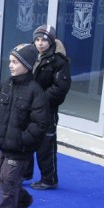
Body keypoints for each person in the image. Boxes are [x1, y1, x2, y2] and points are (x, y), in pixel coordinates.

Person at [0, 44, 49, 208]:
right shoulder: (7, 85)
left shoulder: (36, 91)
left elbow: (39, 124)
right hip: (5, 143)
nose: (10, 65)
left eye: (15, 62)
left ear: (27, 65)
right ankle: (23, 200)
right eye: (10, 61)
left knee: (8, 180)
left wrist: (22, 140)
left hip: (20, 148)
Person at [23, 25, 71, 191]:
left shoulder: (59, 61)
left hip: (47, 109)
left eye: (44, 40)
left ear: (51, 41)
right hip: (28, 107)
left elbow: (60, 88)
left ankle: (49, 179)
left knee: (46, 144)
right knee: (26, 140)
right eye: (37, 39)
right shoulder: (29, 54)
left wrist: (39, 99)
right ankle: (25, 173)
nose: (40, 43)